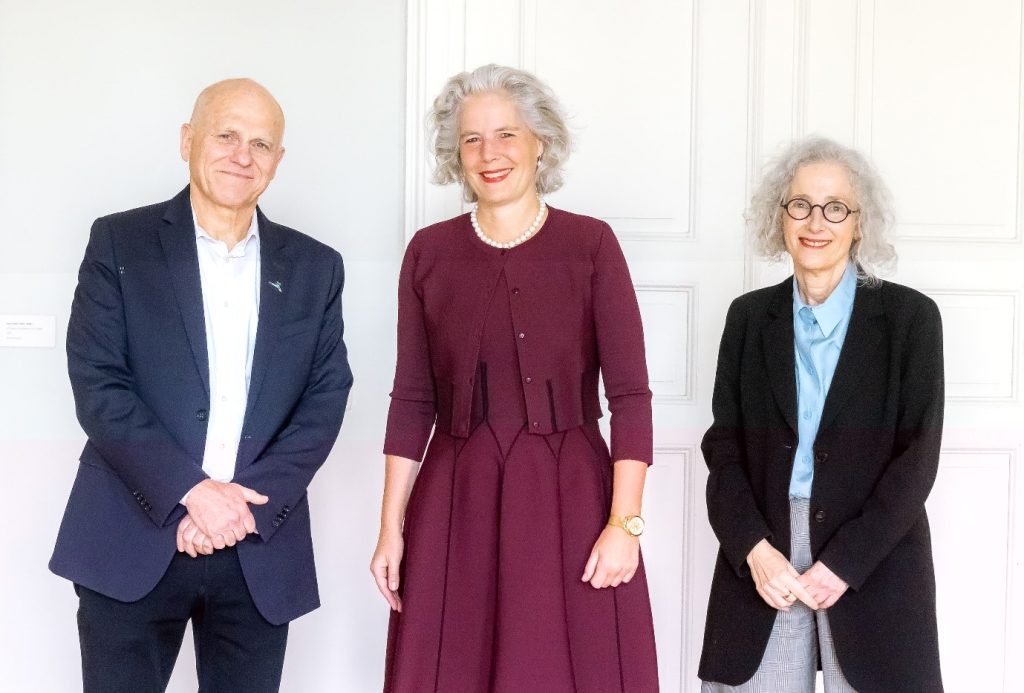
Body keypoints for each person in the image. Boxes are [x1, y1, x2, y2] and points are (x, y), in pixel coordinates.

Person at [49, 78, 353, 692]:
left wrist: (236, 505)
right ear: (188, 140)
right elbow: (99, 384)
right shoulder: (118, 242)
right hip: (131, 537)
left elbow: (325, 399)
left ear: (278, 161)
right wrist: (193, 491)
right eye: (227, 135)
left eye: (261, 144)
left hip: (258, 545)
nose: (243, 155)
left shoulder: (316, 266)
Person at [370, 64, 659, 692]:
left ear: (540, 144)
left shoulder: (591, 245)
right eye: (471, 139)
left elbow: (631, 398)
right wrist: (390, 527)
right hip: (455, 501)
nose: (489, 153)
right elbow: (412, 400)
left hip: (571, 499)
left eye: (506, 134)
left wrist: (624, 525)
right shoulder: (428, 252)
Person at [698, 136, 944, 692]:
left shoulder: (911, 320)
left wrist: (847, 563)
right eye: (800, 205)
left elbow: (917, 460)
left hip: (871, 554)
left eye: (836, 208)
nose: (817, 222)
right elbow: (725, 450)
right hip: (767, 553)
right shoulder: (747, 319)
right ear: (780, 217)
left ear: (860, 223)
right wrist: (753, 550)